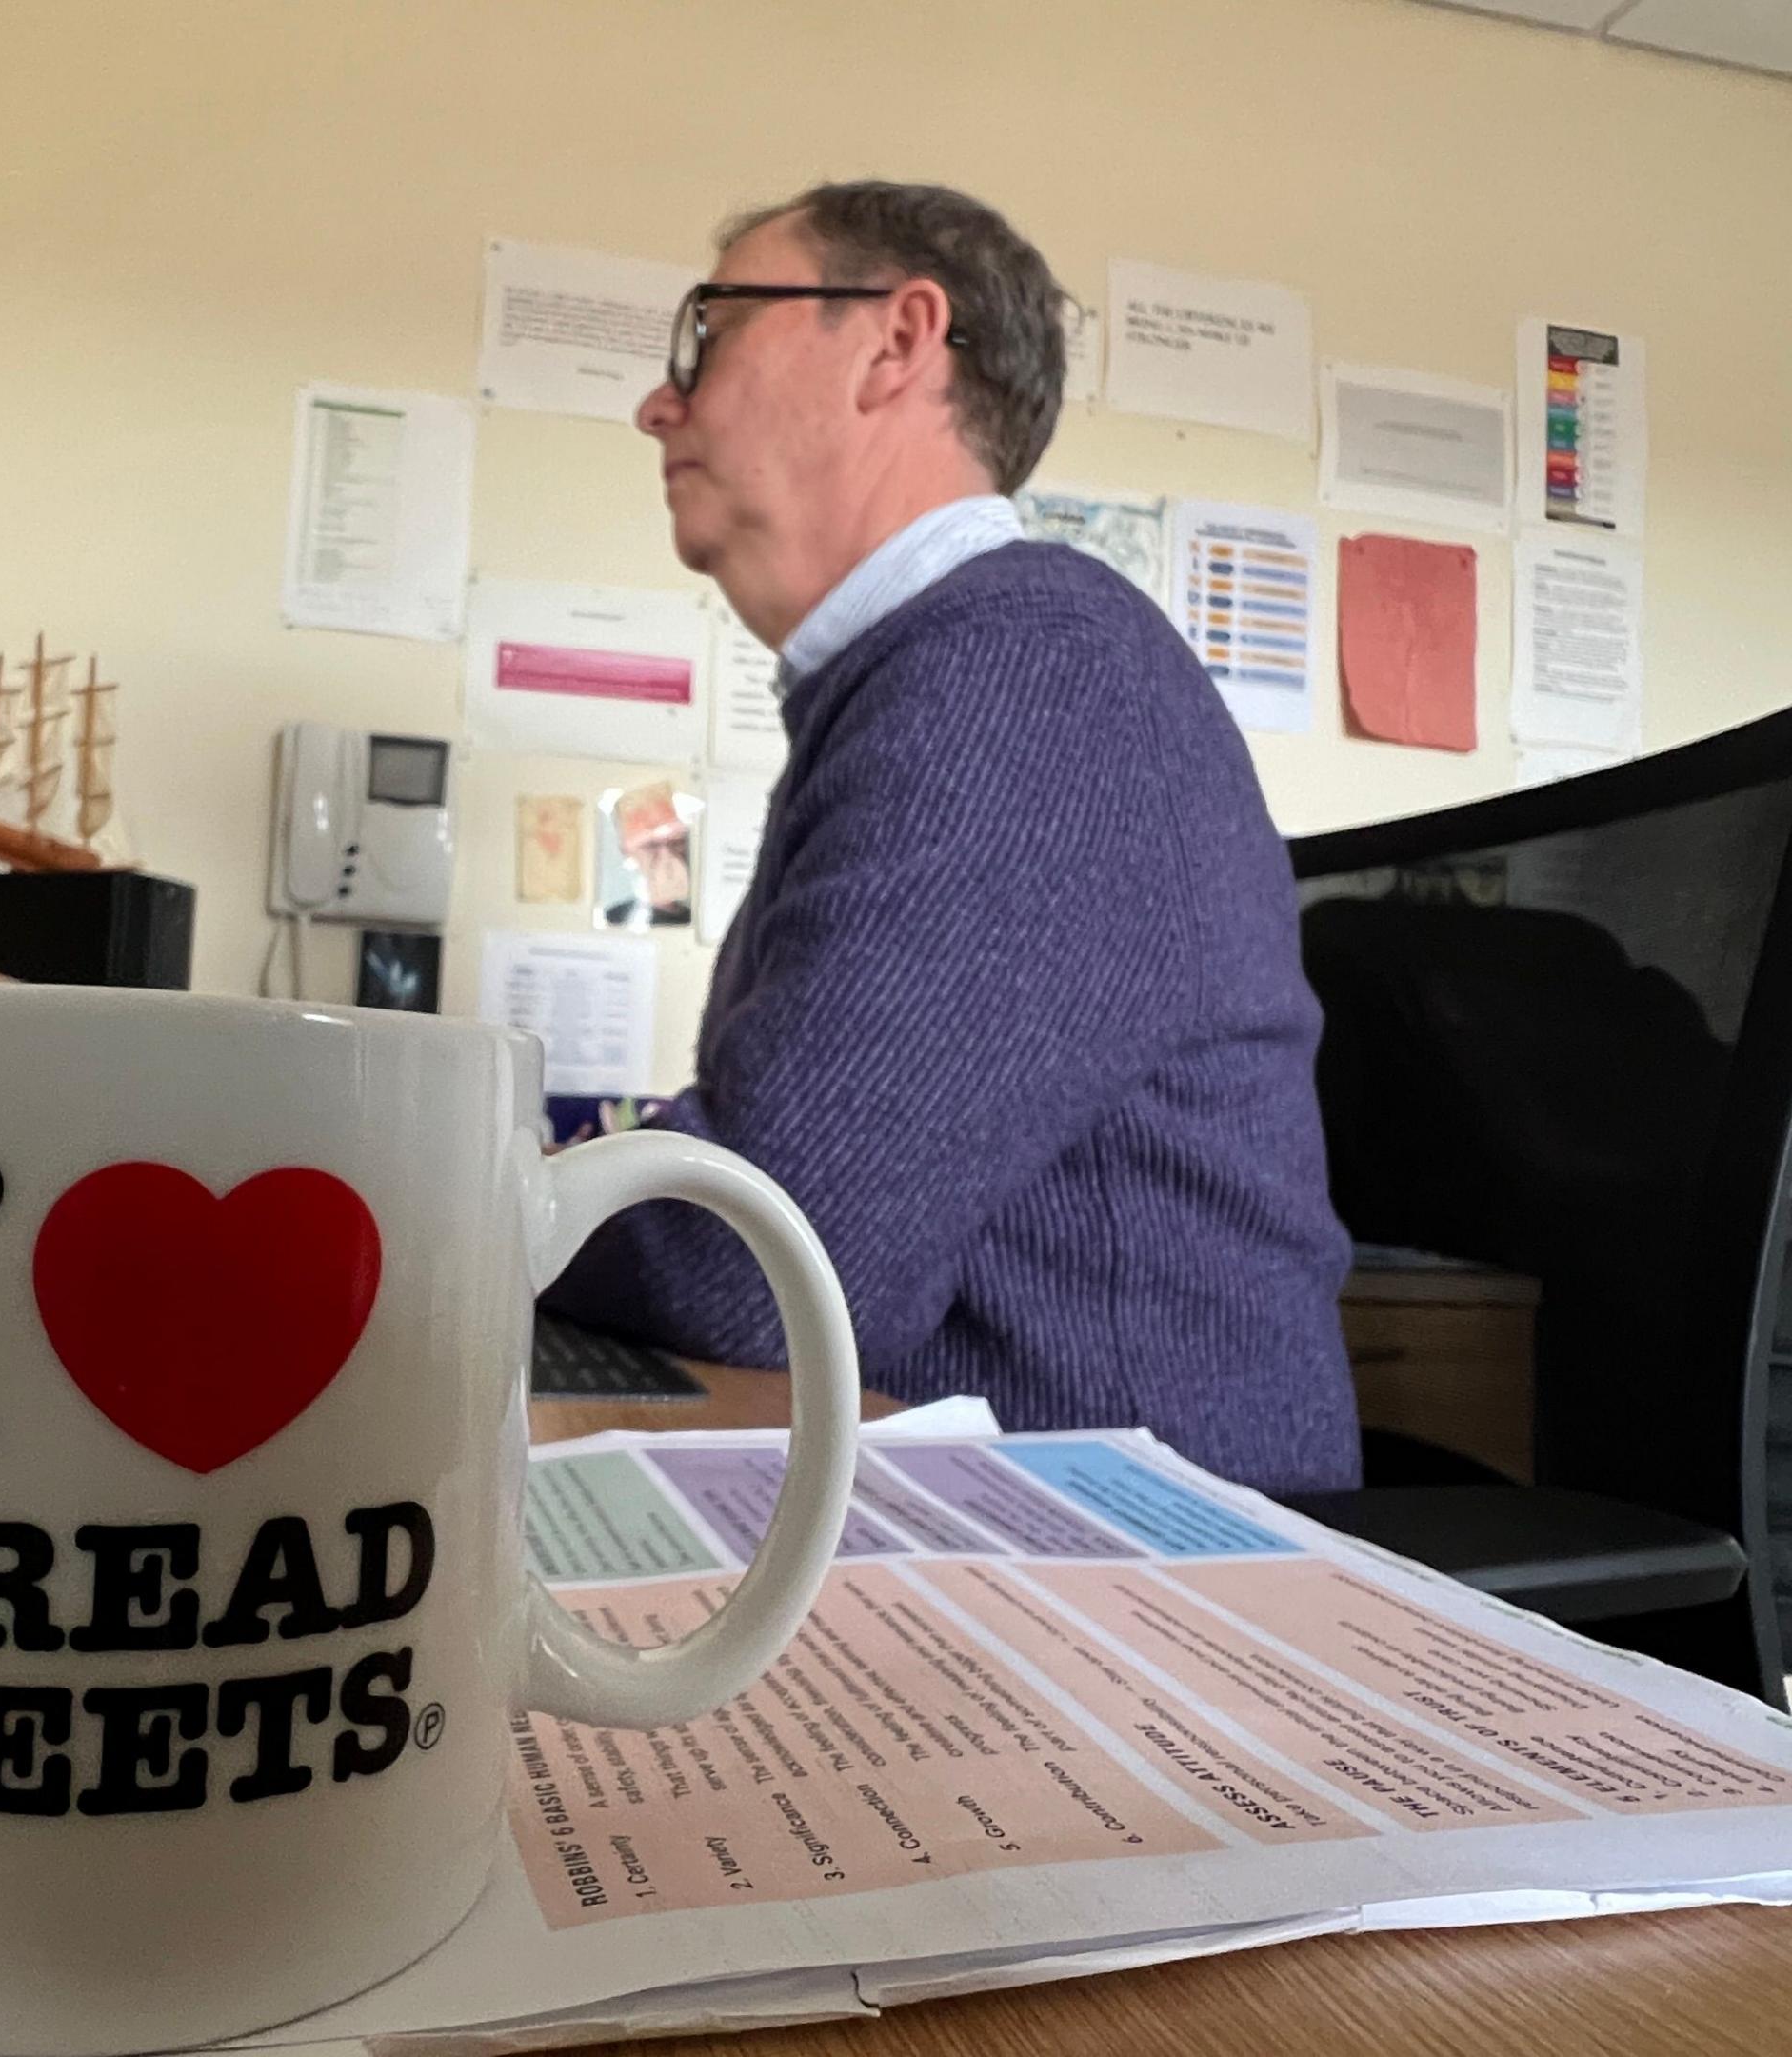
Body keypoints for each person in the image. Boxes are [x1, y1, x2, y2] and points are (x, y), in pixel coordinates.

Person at [536, 180, 1359, 1493]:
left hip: (1141, 1575)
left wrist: (474, 1185)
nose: (659, 400)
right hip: (1004, 1499)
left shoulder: (1026, 673)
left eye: (712, 331)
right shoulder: (945, 673)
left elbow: (761, 1267)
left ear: (897, 341)